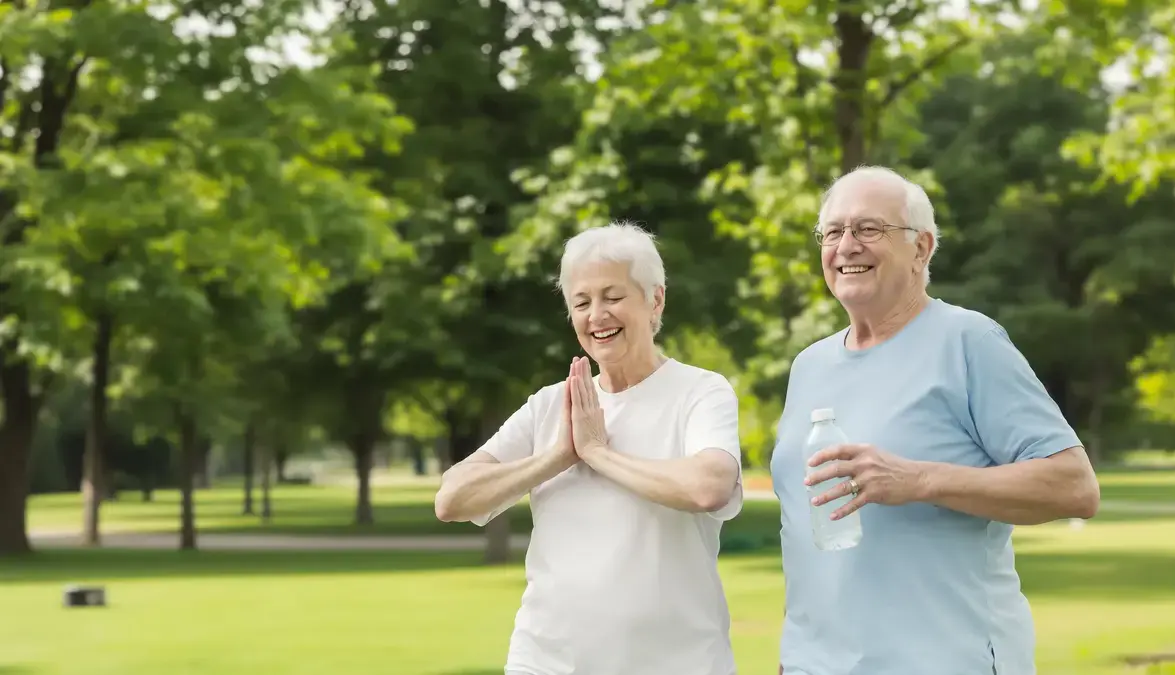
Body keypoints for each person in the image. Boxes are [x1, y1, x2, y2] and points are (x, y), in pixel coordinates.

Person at [771, 166, 1101, 675]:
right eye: (833, 232)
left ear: (921, 249)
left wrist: (921, 479)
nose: (847, 245)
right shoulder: (808, 366)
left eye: (869, 229)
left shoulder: (969, 342)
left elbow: (1074, 486)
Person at [434, 221, 744, 675]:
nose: (596, 315)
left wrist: (598, 454)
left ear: (655, 299)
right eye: (581, 302)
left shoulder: (700, 392)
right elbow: (451, 499)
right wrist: (556, 457)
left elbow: (709, 487)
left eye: (613, 297)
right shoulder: (550, 406)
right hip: (547, 662)